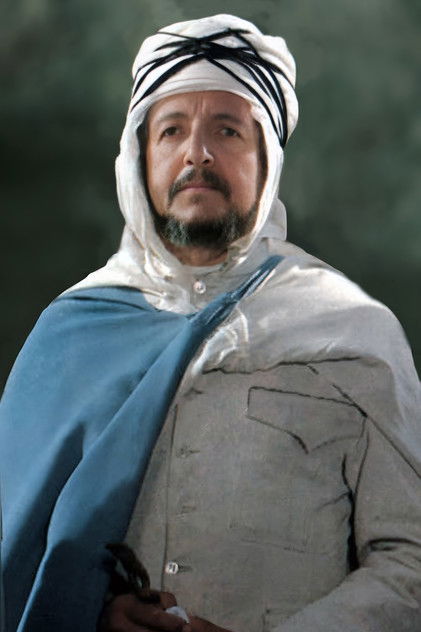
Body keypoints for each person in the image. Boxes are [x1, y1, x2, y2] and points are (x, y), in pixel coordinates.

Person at [1, 14, 421, 632]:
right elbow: (16, 564)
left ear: (267, 162)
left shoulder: (355, 336)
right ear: (139, 160)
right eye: (171, 130)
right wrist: (95, 615)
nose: (196, 153)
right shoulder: (67, 340)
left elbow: (411, 564)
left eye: (227, 130)